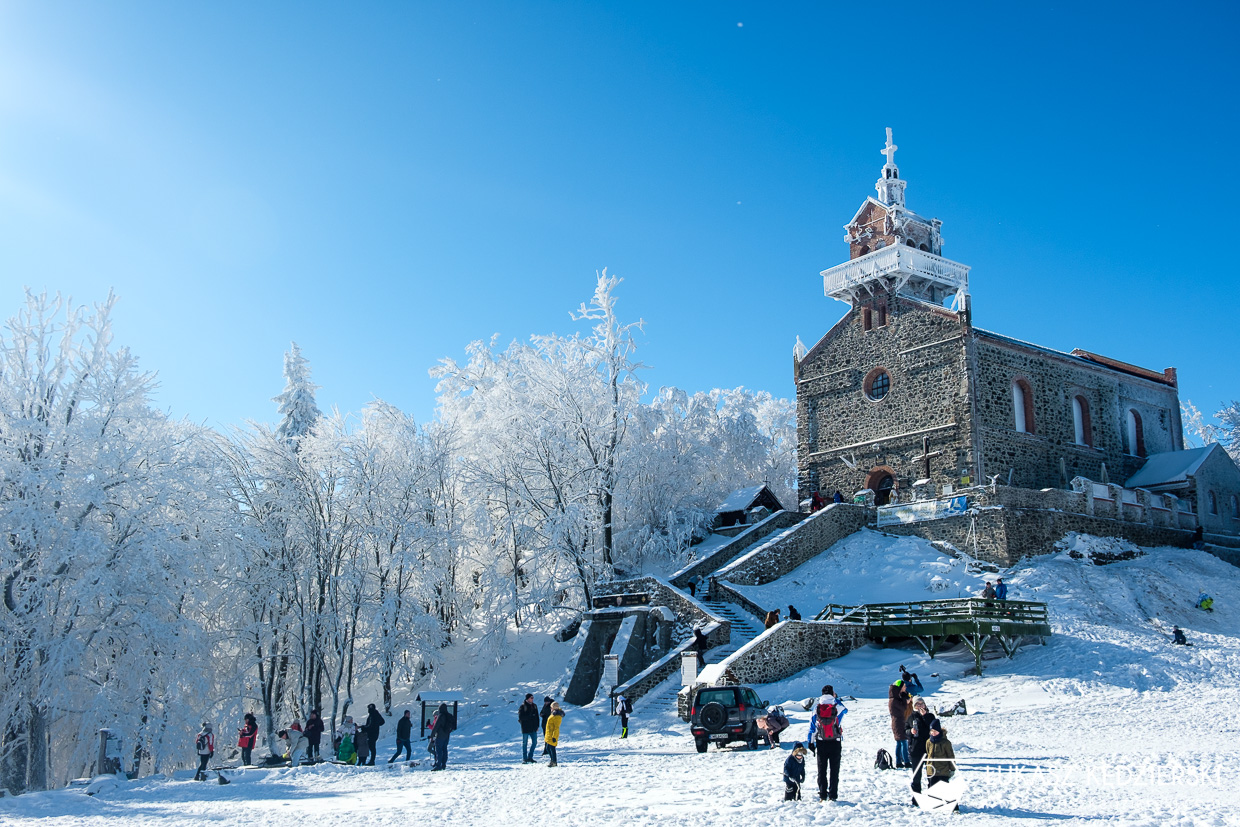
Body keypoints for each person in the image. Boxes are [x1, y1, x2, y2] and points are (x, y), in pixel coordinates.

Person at [805, 685, 847, 802]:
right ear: (833, 693)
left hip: (821, 742)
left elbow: (812, 728)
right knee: (834, 770)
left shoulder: (816, 708)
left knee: (821, 770)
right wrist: (835, 699)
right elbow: (846, 710)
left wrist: (810, 742)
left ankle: (823, 795)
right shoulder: (837, 707)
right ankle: (833, 795)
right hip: (835, 742)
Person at [924, 722, 959, 811]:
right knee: (932, 788)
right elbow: (928, 754)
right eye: (932, 731)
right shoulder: (928, 742)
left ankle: (954, 807)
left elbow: (950, 756)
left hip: (943, 769)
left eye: (935, 731)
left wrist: (952, 768)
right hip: (931, 770)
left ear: (939, 731)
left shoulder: (946, 743)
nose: (933, 733)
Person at [907, 697, 935, 803]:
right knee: (916, 775)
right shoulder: (911, 717)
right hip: (916, 749)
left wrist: (925, 717)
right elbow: (905, 730)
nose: (920, 706)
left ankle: (931, 795)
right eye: (917, 704)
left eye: (921, 703)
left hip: (929, 749)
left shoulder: (930, 716)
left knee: (931, 773)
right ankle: (916, 796)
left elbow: (935, 728)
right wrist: (910, 731)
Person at [889, 681, 911, 770]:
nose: (905, 688)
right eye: (904, 686)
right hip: (898, 722)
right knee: (903, 741)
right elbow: (903, 708)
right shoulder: (894, 700)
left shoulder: (894, 698)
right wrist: (905, 701)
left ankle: (899, 762)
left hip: (898, 722)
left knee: (899, 743)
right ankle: (906, 761)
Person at [429, 703, 456, 770]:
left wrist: (432, 736)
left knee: (439, 751)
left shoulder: (441, 716)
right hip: (447, 736)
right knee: (445, 750)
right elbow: (453, 726)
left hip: (440, 736)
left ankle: (438, 765)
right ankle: (444, 765)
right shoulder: (449, 716)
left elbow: (436, 726)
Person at [518, 693, 540, 763]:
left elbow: (537, 717)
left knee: (535, 742)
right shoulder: (523, 706)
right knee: (525, 743)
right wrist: (529, 716)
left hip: (533, 728)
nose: (532, 699)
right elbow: (521, 717)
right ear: (527, 698)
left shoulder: (534, 706)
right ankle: (524, 758)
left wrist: (537, 726)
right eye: (531, 698)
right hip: (525, 728)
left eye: (533, 698)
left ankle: (530, 757)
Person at [544, 702, 564, 767]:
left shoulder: (557, 716)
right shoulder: (553, 714)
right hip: (549, 734)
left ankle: (554, 761)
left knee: (552, 749)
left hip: (552, 735)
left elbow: (556, 727)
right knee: (548, 748)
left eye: (551, 707)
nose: (550, 708)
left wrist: (554, 736)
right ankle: (552, 760)